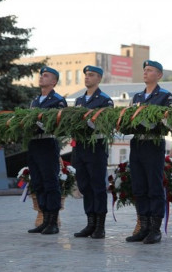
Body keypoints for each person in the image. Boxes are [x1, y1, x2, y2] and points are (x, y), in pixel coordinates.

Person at [125, 60, 172, 244]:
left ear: (159, 75)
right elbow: (128, 118)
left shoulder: (165, 96)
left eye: (150, 70)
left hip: (153, 144)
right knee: (139, 186)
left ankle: (155, 229)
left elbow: (168, 121)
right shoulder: (137, 96)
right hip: (137, 143)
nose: (145, 72)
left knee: (154, 186)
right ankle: (143, 226)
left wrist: (152, 122)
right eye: (144, 69)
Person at [73, 65, 114, 239]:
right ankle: (90, 222)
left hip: (96, 145)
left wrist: (93, 123)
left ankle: (100, 226)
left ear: (99, 79)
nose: (87, 77)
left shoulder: (105, 100)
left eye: (91, 75)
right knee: (84, 185)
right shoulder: (79, 100)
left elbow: (108, 123)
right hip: (81, 146)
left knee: (97, 186)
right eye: (86, 75)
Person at [27, 67, 67, 234]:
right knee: (38, 182)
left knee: (50, 183)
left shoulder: (57, 100)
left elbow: (59, 124)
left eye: (46, 76)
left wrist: (41, 124)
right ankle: (44, 218)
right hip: (34, 144)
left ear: (54, 81)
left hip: (48, 142)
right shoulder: (35, 101)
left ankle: (53, 222)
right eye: (41, 75)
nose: (41, 78)